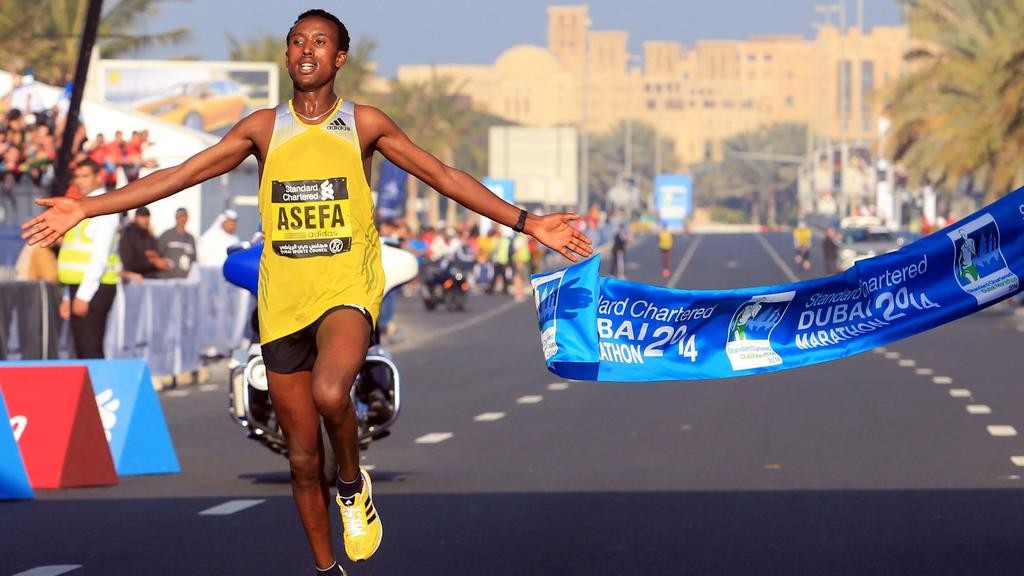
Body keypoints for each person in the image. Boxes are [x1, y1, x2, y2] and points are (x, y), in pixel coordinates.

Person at [22, 9, 593, 574]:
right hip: (282, 300)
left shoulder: (364, 124)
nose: (307, 50)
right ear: (287, 55)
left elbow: (444, 176)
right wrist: (86, 207)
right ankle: (325, 570)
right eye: (297, 41)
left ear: (339, 58)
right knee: (299, 458)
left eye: (320, 42)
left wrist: (528, 222)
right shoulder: (262, 128)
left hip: (347, 287)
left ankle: (350, 484)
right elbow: (180, 175)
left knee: (329, 391)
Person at [54, 159, 120, 358]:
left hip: (96, 287)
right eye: (77, 176)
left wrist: (83, 295)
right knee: (82, 349)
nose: (79, 181)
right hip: (79, 286)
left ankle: (99, 381)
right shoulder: (81, 206)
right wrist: (68, 296)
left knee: (91, 348)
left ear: (99, 177)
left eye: (85, 176)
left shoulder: (103, 207)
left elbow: (100, 255)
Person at [119, 206, 170, 279]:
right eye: (143, 217)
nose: (146, 220)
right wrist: (151, 262)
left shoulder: (150, 237)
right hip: (134, 281)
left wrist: (159, 260)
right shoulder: (127, 236)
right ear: (136, 218)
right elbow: (128, 264)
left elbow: (157, 257)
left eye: (147, 217)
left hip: (152, 279)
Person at [158, 207, 197, 279]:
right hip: (167, 279)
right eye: (180, 216)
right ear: (176, 217)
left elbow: (194, 261)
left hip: (185, 280)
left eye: (184, 216)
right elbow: (157, 256)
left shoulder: (191, 238)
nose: (182, 219)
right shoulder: (166, 235)